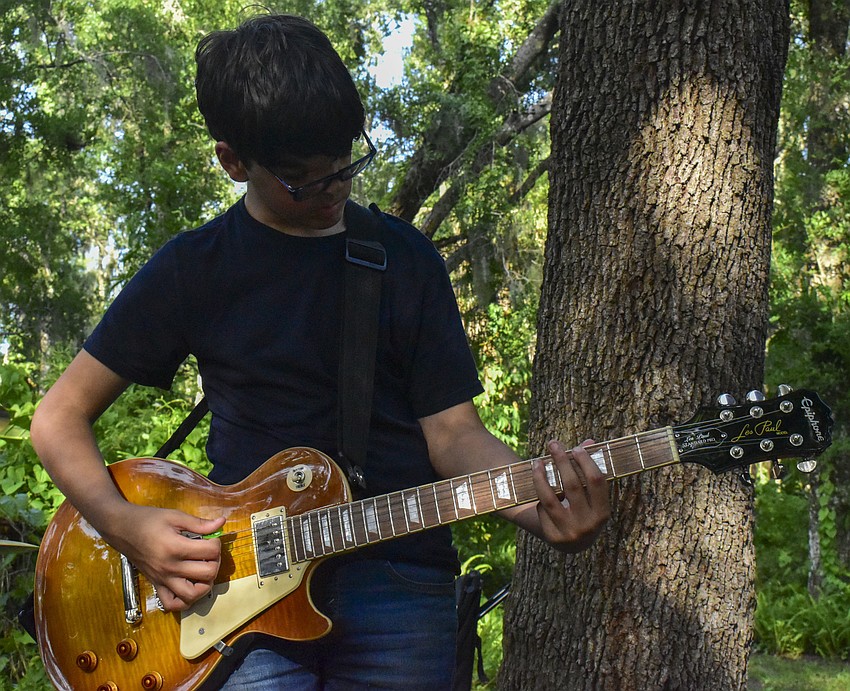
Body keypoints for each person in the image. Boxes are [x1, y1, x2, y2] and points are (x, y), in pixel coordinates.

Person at [30, 13, 610, 689]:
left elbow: (453, 435)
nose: (335, 188)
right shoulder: (195, 268)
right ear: (232, 161)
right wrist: (127, 524)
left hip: (400, 577)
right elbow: (56, 420)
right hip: (241, 593)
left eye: (346, 164)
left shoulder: (405, 259)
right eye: (306, 179)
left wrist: (535, 502)